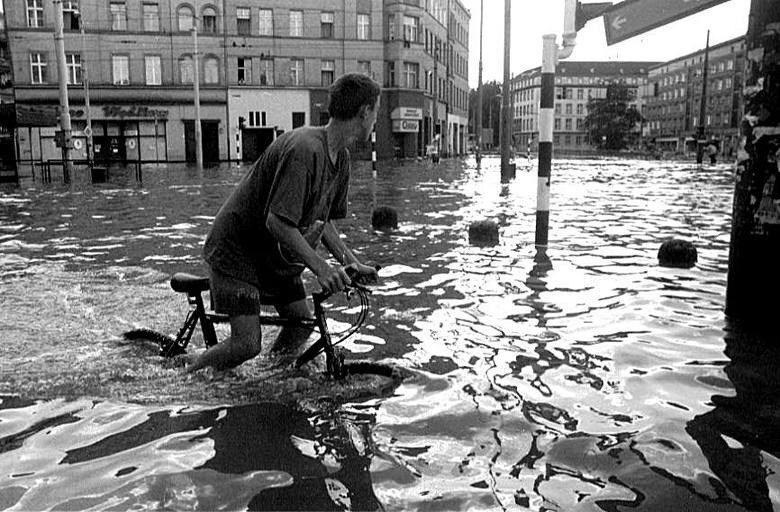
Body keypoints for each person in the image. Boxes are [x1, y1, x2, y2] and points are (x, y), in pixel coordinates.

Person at [187, 73, 380, 373]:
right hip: (237, 249)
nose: (374, 120)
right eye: (375, 112)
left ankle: (268, 377)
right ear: (365, 112)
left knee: (301, 325)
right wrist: (321, 267)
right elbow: (276, 221)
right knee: (247, 344)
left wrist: (352, 264)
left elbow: (324, 222)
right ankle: (188, 378)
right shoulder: (305, 149)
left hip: (275, 255)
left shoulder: (340, 159)